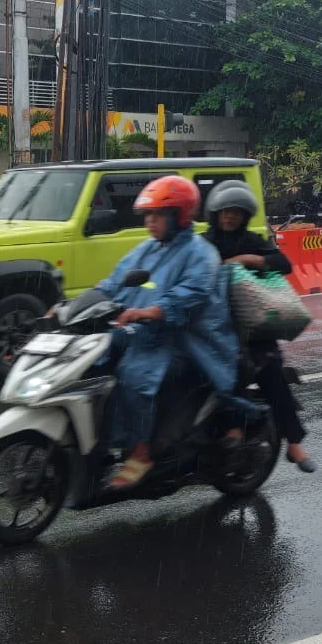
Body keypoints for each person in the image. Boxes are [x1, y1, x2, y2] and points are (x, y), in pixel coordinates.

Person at [96, 175, 240, 490]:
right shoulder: (147, 249)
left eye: (158, 215)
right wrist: (71, 306)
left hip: (187, 341)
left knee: (134, 376)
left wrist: (149, 311)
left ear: (180, 215)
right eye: (148, 215)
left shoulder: (201, 254)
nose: (150, 222)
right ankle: (101, 442)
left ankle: (141, 452)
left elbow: (189, 295)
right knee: (95, 357)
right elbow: (113, 284)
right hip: (143, 332)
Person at [203, 180, 315, 473]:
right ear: (214, 213)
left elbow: (284, 263)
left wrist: (249, 259)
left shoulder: (251, 240)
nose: (229, 217)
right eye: (225, 212)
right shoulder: (202, 243)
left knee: (270, 370)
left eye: (236, 213)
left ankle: (293, 442)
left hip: (250, 323)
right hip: (212, 324)